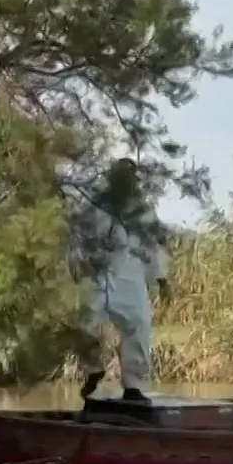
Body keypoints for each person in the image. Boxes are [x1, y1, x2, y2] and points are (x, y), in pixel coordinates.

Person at [77, 158, 168, 403]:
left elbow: (154, 245)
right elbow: (78, 241)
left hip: (132, 275)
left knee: (138, 326)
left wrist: (161, 278)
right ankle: (93, 368)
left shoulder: (143, 211)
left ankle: (134, 387)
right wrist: (80, 266)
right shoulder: (95, 207)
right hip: (100, 273)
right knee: (86, 320)